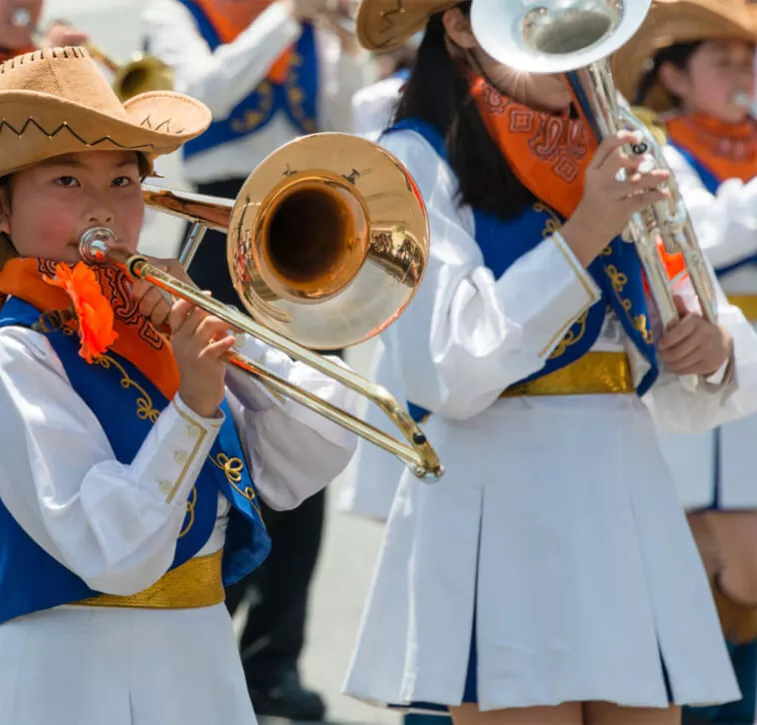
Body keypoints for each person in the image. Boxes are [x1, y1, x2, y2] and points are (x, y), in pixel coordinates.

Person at [0, 46, 361, 725]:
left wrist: (227, 338)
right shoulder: (10, 356)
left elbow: (310, 452)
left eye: (122, 182)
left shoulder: (150, 332)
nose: (102, 210)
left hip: (200, 666)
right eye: (65, 181)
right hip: (75, 682)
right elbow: (112, 552)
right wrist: (195, 404)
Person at [340, 0, 757, 723]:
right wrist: (584, 232)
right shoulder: (413, 153)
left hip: (623, 481)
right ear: (460, 27)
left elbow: (695, 327)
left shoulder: (621, 137)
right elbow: (446, 370)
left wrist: (712, 349)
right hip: (496, 492)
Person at [138, 3, 377, 718]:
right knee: (222, 439)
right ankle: (205, 632)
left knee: (309, 430)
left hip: (306, 226)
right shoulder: (174, 13)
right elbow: (200, 100)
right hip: (215, 225)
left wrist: (344, 44)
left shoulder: (305, 26)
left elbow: (342, 124)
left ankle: (274, 655)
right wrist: (283, 18)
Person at [613, 1, 757, 721]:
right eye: (721, 62)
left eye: (747, 61)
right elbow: (701, 233)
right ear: (671, 73)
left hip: (748, 373)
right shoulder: (655, 142)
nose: (741, 75)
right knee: (706, 573)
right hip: (696, 372)